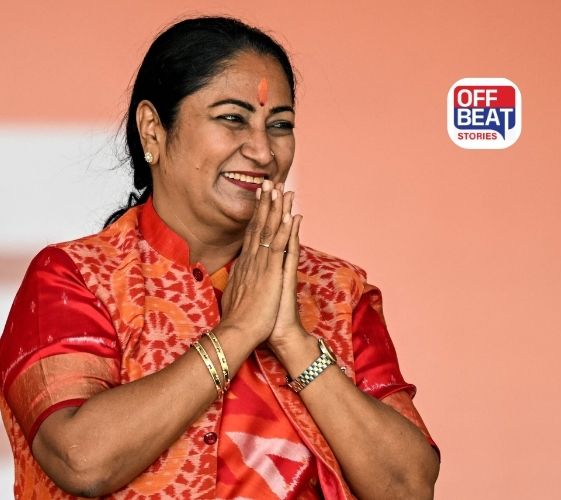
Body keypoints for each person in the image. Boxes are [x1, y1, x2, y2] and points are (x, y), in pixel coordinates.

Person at [0, 16, 440, 499]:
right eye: (232, 118)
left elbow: (408, 488)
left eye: (280, 125)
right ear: (153, 130)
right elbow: (81, 459)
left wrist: (293, 340)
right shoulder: (79, 278)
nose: (262, 151)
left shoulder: (333, 290)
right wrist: (238, 332)